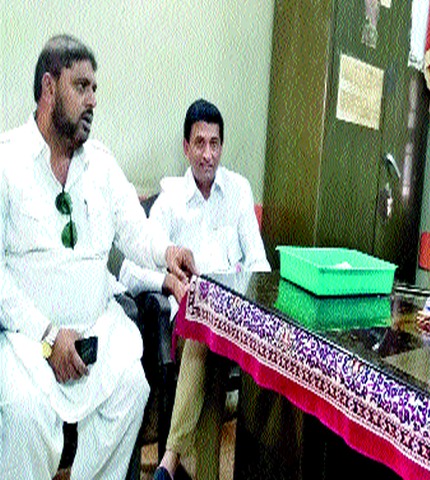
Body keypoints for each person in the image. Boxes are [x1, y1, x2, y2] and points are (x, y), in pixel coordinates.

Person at [0, 35, 196, 479]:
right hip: (29, 341)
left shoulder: (101, 165)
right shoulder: (7, 162)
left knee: (131, 386)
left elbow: (134, 230)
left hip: (97, 330)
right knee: (26, 412)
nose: (92, 100)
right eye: (81, 86)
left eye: (94, 89)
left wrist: (168, 252)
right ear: (49, 88)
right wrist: (48, 337)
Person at [118, 99, 270, 480]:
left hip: (235, 324)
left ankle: (171, 460)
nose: (208, 154)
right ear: (185, 147)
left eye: (214, 143)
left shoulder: (238, 191)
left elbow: (259, 263)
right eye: (199, 143)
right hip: (189, 328)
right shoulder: (170, 200)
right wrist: (168, 281)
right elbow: (129, 271)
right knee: (206, 337)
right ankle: (186, 466)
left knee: (221, 342)